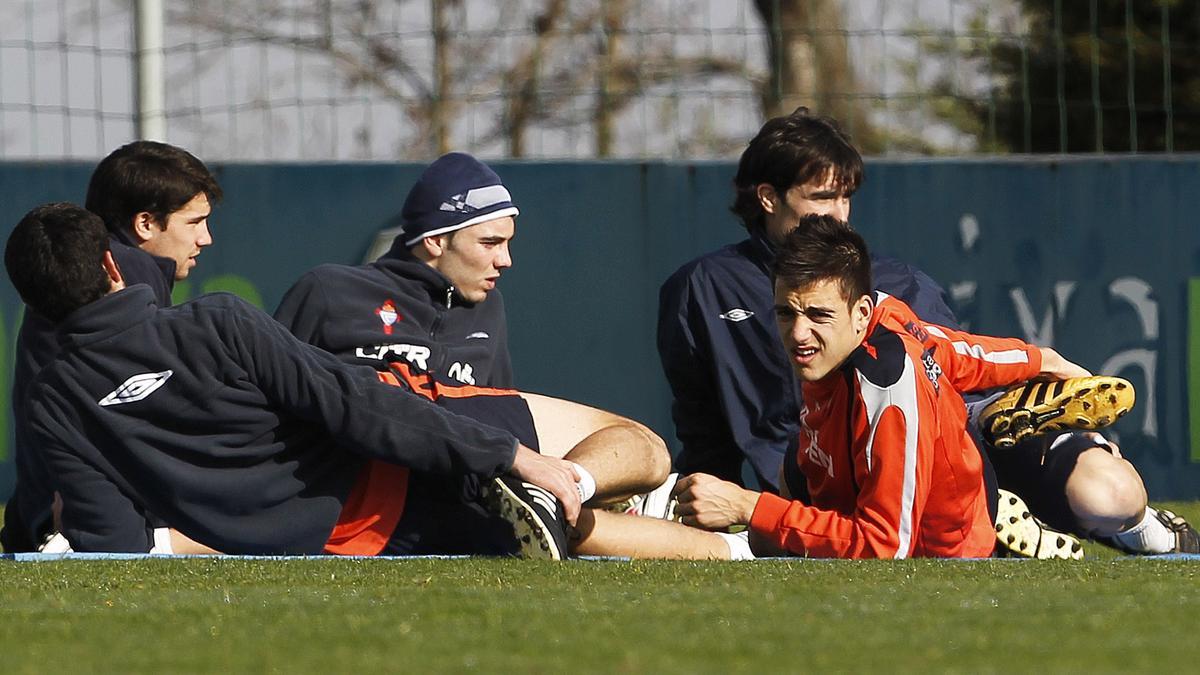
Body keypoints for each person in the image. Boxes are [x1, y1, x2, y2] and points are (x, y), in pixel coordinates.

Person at [9, 203, 749, 562]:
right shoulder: (213, 323)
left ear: (35, 303)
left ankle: (713, 546)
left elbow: (115, 540)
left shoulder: (50, 404)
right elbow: (355, 400)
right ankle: (579, 490)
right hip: (397, 459)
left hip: (354, 542)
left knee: (584, 530)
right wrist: (509, 457)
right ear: (114, 266)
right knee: (645, 445)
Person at [656, 107, 1198, 555]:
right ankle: (991, 520)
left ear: (864, 309)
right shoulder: (703, 289)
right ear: (769, 199)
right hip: (828, 485)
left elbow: (949, 362)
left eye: (846, 197)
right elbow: (703, 426)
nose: (839, 214)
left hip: (948, 447)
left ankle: (1138, 529)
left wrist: (1042, 365)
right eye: (821, 198)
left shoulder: (893, 284)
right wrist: (714, 502)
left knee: (1110, 494)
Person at [672, 217, 1121, 558]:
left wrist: (750, 507)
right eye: (786, 313)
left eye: (818, 316)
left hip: (939, 547)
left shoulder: (887, 387)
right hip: (871, 474)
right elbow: (952, 350)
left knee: (764, 535)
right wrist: (1040, 359)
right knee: (793, 466)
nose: (798, 334)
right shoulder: (883, 313)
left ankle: (992, 520)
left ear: (861, 314)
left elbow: (886, 545)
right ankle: (984, 474)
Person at [276, 152, 670, 506]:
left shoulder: (487, 308)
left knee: (646, 451)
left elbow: (498, 411)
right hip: (353, 496)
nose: (506, 260)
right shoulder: (330, 291)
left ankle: (587, 497)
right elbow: (273, 398)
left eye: (508, 243)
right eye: (490, 242)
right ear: (434, 241)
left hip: (459, 494)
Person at [2, 141, 221, 552]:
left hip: (45, 504)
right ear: (144, 223)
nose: (206, 238)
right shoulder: (128, 271)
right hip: (74, 512)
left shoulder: (103, 267)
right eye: (195, 222)